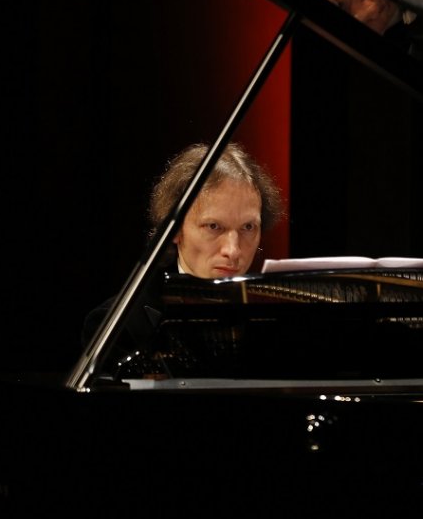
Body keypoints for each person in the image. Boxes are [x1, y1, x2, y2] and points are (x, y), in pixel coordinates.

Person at [81, 141, 284, 369]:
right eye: (213, 226)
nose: (233, 250)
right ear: (175, 230)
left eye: (248, 227)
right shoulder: (117, 327)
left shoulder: (282, 321)